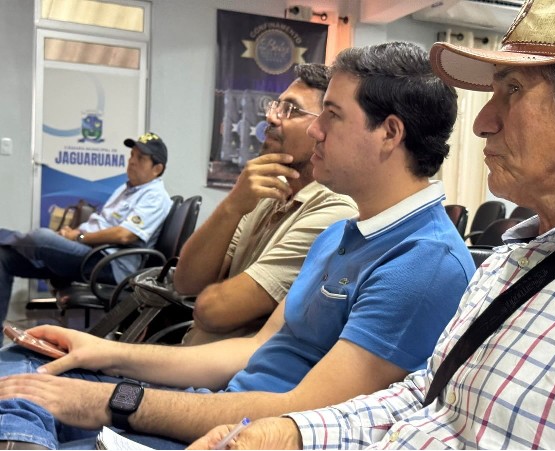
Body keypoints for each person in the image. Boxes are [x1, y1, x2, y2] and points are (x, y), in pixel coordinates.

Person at [0, 41, 475, 450]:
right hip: (219, 405)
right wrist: (102, 352)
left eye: (332, 115)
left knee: (24, 405)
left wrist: (114, 399)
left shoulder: (425, 262)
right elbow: (253, 350)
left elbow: (300, 412)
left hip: (238, 434)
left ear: (389, 133)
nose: (315, 129)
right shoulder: (341, 234)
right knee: (22, 369)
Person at [192, 1, 555, 449]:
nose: (482, 123)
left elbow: (214, 310)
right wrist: (287, 434)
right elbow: (426, 398)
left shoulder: (434, 260)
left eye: (514, 90)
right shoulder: (505, 265)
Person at [173, 64, 357, 345]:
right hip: (194, 353)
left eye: (291, 110)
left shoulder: (335, 210)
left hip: (234, 370)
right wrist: (232, 205)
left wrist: (218, 288)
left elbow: (215, 311)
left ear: (323, 128)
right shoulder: (270, 191)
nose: (270, 117)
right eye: (276, 106)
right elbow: (187, 282)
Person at [0, 132, 172, 325]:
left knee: (41, 238)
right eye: (132, 155)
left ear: (157, 168)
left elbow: (125, 235)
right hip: (90, 252)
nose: (132, 161)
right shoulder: (126, 189)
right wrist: (70, 235)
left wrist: (78, 237)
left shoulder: (155, 196)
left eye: (140, 158)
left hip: (108, 263)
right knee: (4, 258)